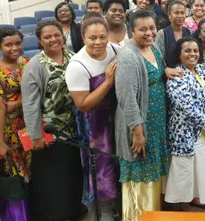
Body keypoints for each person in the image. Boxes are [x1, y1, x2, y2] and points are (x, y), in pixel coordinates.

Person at [22, 19, 86, 220]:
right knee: (54, 176)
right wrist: (35, 135)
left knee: (73, 171)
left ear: (63, 35)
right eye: (47, 37)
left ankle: (74, 208)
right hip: (49, 131)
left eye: (56, 35)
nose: (53, 40)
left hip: (74, 127)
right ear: (40, 41)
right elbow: (30, 103)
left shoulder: (73, 57)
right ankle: (57, 214)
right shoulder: (35, 65)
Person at [114, 11, 169, 219]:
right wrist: (137, 132)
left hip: (156, 120)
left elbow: (156, 70)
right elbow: (126, 98)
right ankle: (138, 215)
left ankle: (154, 212)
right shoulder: (128, 56)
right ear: (132, 31)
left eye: (152, 28)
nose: (149, 33)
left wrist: (166, 71)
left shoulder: (152, 47)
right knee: (140, 170)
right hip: (140, 123)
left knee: (152, 170)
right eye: (143, 29)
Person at [64, 14, 118, 221]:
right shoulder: (77, 65)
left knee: (118, 162)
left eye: (102, 37)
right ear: (83, 38)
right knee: (100, 168)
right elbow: (83, 104)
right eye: (92, 38)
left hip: (115, 117)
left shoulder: (114, 51)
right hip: (94, 125)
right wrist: (108, 82)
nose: (98, 42)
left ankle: (120, 204)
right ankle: (103, 212)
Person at [165, 37, 205, 211]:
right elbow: (187, 107)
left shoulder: (201, 70)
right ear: (179, 54)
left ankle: (197, 197)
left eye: (195, 50)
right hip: (185, 132)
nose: (192, 54)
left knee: (201, 164)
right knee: (186, 168)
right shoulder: (176, 76)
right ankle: (184, 202)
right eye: (187, 51)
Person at [0, 28, 31, 221]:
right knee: (15, 173)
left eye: (18, 43)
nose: (14, 48)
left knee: (30, 170)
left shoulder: (27, 63)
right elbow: (2, 107)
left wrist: (15, 104)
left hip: (29, 124)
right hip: (9, 130)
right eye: (8, 44)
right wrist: (0, 141)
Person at [155, 0, 192, 68]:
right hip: (168, 73)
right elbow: (158, 58)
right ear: (169, 15)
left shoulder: (190, 32)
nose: (180, 16)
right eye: (176, 13)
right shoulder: (162, 34)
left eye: (182, 13)